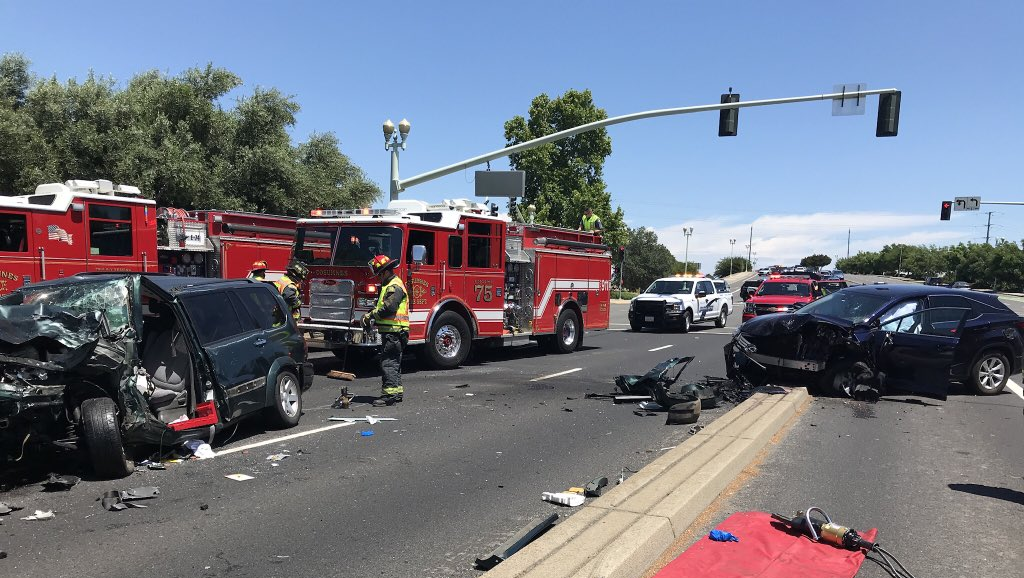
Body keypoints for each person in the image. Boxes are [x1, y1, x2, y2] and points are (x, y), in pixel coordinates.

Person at [362, 254, 409, 407]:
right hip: (394, 331)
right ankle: (397, 392)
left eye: (379, 274)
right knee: (394, 362)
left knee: (388, 362)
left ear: (385, 272)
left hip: (394, 331)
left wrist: (371, 315)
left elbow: (389, 307)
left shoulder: (393, 286)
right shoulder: (392, 284)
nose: (378, 278)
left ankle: (389, 395)